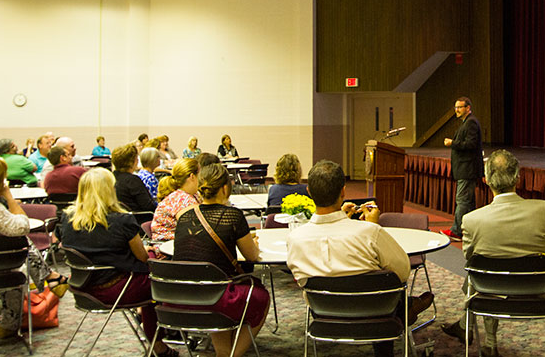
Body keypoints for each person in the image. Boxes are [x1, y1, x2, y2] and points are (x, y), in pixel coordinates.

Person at [286, 160, 433, 357]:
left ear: (309, 192)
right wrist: (373, 227)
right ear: (343, 192)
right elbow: (403, 271)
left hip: (323, 314)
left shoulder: (295, 238)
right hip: (376, 313)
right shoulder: (368, 232)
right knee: (385, 284)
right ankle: (405, 308)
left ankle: (406, 308)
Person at [441, 149, 545, 357]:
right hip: (538, 293)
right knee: (486, 271)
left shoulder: (471, 220)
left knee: (483, 272)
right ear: (518, 177)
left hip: (488, 294)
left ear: (486, 179)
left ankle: (478, 335)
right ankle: (476, 334)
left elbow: (469, 259)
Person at [56, 168, 178, 357]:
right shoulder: (121, 220)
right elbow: (142, 257)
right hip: (116, 289)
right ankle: (159, 343)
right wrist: (151, 252)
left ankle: (155, 336)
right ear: (109, 190)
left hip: (83, 288)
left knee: (149, 278)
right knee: (158, 278)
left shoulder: (67, 218)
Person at [0, 156, 68, 337]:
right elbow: (23, 225)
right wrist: (8, 195)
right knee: (21, 244)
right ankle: (10, 321)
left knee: (14, 244)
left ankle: (50, 277)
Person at [174, 164, 270, 357]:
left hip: (179, 297)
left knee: (217, 286)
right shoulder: (232, 216)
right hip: (216, 298)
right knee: (261, 296)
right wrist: (254, 243)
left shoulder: (184, 215)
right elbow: (251, 256)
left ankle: (223, 352)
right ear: (225, 188)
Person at [440, 96, 484, 241]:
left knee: (463, 201)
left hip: (467, 169)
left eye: (459, 107)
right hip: (465, 169)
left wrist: (453, 143)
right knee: (468, 201)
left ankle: (457, 231)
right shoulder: (467, 122)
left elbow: (471, 144)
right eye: (456, 108)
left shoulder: (470, 123)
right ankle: (468, 230)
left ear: (468, 108)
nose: (457, 110)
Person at [151, 158, 201, 241]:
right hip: (167, 248)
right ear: (192, 176)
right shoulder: (182, 199)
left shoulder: (191, 195)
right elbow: (193, 229)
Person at [112, 144, 157, 213]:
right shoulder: (133, 181)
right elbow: (148, 206)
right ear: (131, 162)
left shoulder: (111, 178)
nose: (138, 160)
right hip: (138, 219)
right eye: (136, 158)